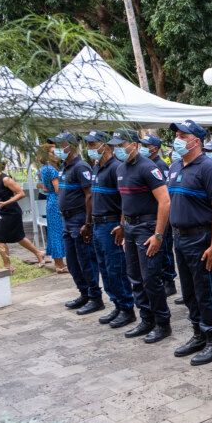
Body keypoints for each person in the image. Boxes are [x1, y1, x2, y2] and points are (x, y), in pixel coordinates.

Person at [167, 120, 212, 365]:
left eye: (183, 136)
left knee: (205, 291)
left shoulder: (209, 168)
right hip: (180, 237)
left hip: (201, 237)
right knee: (189, 290)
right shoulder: (175, 167)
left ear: (196, 141)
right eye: (177, 135)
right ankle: (198, 334)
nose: (178, 139)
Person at [112, 128, 171, 341]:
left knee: (151, 279)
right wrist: (122, 225)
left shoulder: (148, 168)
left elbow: (164, 201)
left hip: (147, 228)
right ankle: (146, 319)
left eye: (120, 145)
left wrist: (158, 234)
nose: (117, 149)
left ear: (133, 145)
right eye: (115, 146)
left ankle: (162, 323)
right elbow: (124, 202)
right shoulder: (121, 169)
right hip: (130, 227)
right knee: (135, 277)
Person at [83, 130, 135, 329]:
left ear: (104, 145)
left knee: (115, 268)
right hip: (97, 225)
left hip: (111, 224)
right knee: (104, 268)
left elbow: (125, 200)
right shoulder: (96, 168)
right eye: (87, 145)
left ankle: (127, 308)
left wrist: (122, 225)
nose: (89, 149)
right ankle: (117, 305)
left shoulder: (117, 168)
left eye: (92, 144)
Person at [48, 132, 102, 314]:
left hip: (79, 219)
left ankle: (95, 297)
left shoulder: (81, 167)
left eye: (58, 145)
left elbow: (90, 195)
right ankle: (84, 293)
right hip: (67, 219)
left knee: (85, 259)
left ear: (69, 146)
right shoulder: (64, 166)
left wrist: (88, 223)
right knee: (72, 261)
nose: (55, 149)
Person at [0, 157, 45, 272]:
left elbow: (21, 194)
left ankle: (7, 265)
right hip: (1, 211)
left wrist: (6, 202)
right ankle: (39, 253)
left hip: (11, 211)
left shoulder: (6, 179)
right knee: (18, 237)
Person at [140, 135, 177, 297]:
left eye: (146, 145)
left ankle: (169, 280)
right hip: (150, 216)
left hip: (161, 214)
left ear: (154, 148)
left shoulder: (160, 166)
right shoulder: (145, 164)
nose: (142, 148)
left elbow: (165, 193)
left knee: (166, 249)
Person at [36, 149, 67, 273]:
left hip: (51, 200)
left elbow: (44, 188)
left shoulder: (44, 169)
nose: (57, 155)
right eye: (53, 153)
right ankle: (59, 264)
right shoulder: (52, 170)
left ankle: (59, 263)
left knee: (54, 231)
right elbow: (58, 189)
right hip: (57, 201)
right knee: (58, 232)